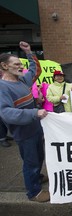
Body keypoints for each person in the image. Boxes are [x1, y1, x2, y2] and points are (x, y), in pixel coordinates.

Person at [0, 41, 50, 202]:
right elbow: (7, 113)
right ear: (4, 66)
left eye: (21, 64)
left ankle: (36, 177)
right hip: (24, 133)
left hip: (35, 129)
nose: (21, 67)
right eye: (16, 64)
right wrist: (35, 112)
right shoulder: (3, 88)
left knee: (38, 157)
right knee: (31, 162)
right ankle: (33, 192)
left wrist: (29, 53)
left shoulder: (21, 80)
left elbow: (35, 70)